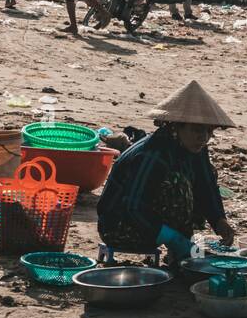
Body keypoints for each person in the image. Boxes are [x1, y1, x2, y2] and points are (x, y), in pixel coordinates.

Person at [96, 81, 237, 263]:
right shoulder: (153, 155)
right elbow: (133, 207)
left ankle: (179, 245)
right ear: (177, 126)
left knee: (207, 174)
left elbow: (206, 185)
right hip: (120, 227)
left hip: (152, 224)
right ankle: (178, 245)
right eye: (196, 130)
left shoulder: (196, 149)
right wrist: (171, 238)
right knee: (178, 184)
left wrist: (219, 220)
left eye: (209, 131)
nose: (203, 137)